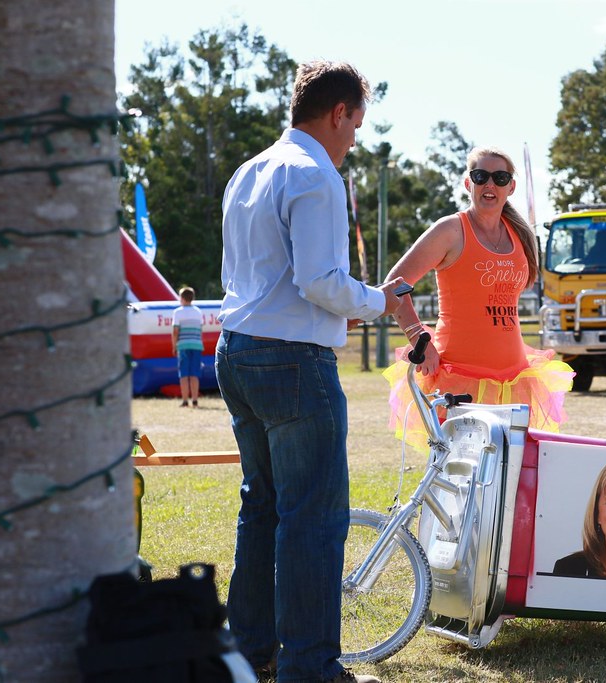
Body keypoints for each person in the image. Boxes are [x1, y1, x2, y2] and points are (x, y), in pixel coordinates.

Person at [215, 60, 406, 683]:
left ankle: (249, 654)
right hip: (294, 360)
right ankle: (310, 668)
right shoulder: (316, 175)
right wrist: (382, 300)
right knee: (314, 520)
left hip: (237, 350)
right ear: (339, 113)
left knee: (262, 509)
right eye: (356, 124)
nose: (354, 140)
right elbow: (320, 282)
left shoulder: (250, 170)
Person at [382, 146, 573, 449]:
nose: (490, 185)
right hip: (458, 378)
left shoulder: (520, 235)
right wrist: (419, 337)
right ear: (468, 184)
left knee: (506, 482)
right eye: (481, 176)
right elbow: (395, 284)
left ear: (511, 187)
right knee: (458, 476)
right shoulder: (451, 230)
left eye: (500, 178)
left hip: (514, 381)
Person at [171, 285, 204, 408]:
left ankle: (185, 400)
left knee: (184, 374)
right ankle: (195, 400)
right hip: (196, 345)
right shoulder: (198, 312)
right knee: (195, 374)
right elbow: (200, 330)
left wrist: (174, 346)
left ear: (182, 298)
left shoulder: (178, 312)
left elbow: (175, 331)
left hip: (183, 345)